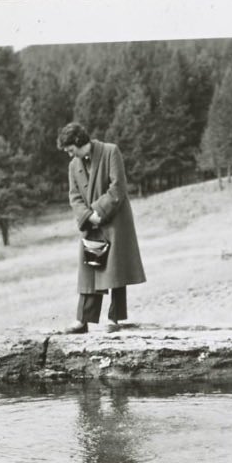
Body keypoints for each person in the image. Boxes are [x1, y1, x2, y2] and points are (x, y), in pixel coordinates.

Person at [55, 122, 146, 333]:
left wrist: (99, 211)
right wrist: (88, 217)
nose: (70, 155)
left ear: (79, 142)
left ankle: (115, 319)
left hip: (114, 221)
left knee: (116, 271)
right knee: (90, 269)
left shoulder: (110, 151)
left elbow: (118, 187)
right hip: (92, 225)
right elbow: (74, 196)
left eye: (71, 150)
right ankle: (83, 320)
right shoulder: (73, 166)